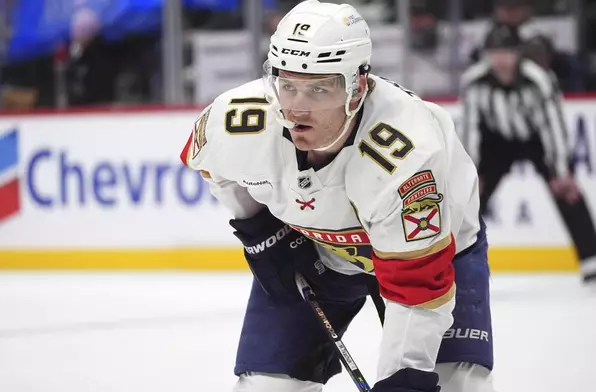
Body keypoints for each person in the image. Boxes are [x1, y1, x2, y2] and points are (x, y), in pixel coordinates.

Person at [180, 1, 495, 391]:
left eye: (318, 89)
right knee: (265, 386)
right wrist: (257, 227)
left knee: (455, 385)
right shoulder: (239, 119)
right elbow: (210, 163)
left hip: (436, 255)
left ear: (357, 87)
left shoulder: (408, 156)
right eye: (288, 84)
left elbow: (416, 286)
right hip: (314, 253)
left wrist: (405, 376)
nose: (296, 108)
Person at [459, 23, 596, 284]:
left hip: (535, 138)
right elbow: (471, 129)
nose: (501, 59)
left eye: (507, 52)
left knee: (567, 191)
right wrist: (472, 174)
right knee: (469, 200)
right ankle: (459, 263)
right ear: (487, 55)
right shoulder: (474, 81)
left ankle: (592, 260)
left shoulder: (539, 78)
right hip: (495, 141)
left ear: (518, 53)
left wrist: (561, 171)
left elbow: (553, 125)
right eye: (495, 52)